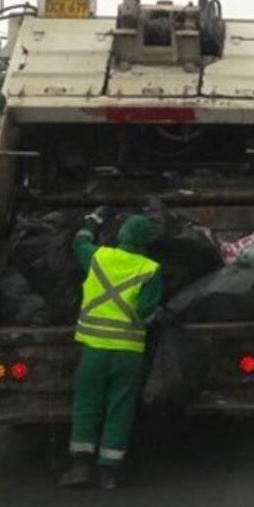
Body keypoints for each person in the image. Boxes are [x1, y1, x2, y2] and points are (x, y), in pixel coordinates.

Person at [58, 207, 163, 491]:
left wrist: (93, 220)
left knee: (88, 403)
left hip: (94, 349)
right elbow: (148, 311)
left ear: (121, 235)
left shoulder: (99, 257)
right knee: (120, 406)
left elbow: (78, 241)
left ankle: (81, 466)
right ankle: (108, 471)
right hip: (128, 353)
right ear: (146, 242)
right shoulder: (150, 269)